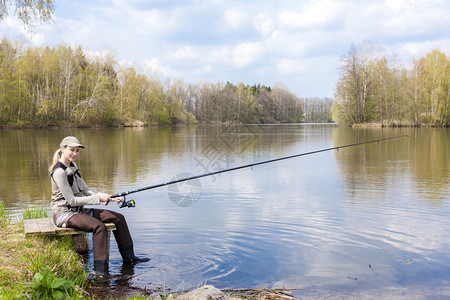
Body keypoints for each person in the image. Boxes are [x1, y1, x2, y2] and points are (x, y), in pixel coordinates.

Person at [49, 136, 149, 278]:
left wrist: (108, 197)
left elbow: (85, 189)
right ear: (62, 149)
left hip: (78, 211)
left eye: (77, 151)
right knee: (99, 227)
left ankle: (130, 259)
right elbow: (71, 200)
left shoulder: (72, 166)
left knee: (118, 218)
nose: (75, 153)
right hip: (64, 214)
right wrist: (98, 199)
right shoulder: (59, 172)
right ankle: (101, 274)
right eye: (72, 150)